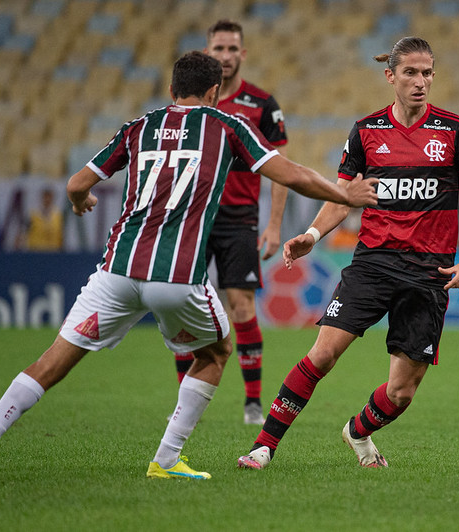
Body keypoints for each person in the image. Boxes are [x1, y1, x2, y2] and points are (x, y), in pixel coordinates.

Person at [0, 51, 378, 481]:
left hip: (116, 270)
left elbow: (76, 184)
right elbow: (292, 174)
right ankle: (166, 459)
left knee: (51, 363)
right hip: (176, 275)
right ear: (214, 91)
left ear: (171, 89)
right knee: (217, 351)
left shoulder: (139, 126)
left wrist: (80, 201)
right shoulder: (227, 126)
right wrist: (344, 195)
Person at [237, 37, 459, 470]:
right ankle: (263, 447)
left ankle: (357, 431)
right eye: (410, 73)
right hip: (373, 262)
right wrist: (312, 234)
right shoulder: (366, 131)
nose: (420, 81)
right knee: (322, 354)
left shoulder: (455, 131)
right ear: (390, 76)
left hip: (428, 273)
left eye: (427, 73)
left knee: (401, 393)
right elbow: (342, 198)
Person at [172, 20, 289, 425]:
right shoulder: (192, 100)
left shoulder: (262, 104)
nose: (225, 55)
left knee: (241, 306)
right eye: (219, 48)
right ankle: (184, 404)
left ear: (243, 53)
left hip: (239, 220)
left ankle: (253, 403)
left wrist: (274, 226)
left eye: (232, 48)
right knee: (183, 306)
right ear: (207, 52)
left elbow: (280, 169)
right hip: (193, 217)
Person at [20, 187, 64, 251]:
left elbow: (61, 235)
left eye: (49, 198)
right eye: (45, 197)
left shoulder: (58, 216)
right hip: (36, 250)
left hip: (53, 251)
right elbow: (24, 232)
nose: (47, 200)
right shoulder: (33, 215)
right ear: (42, 198)